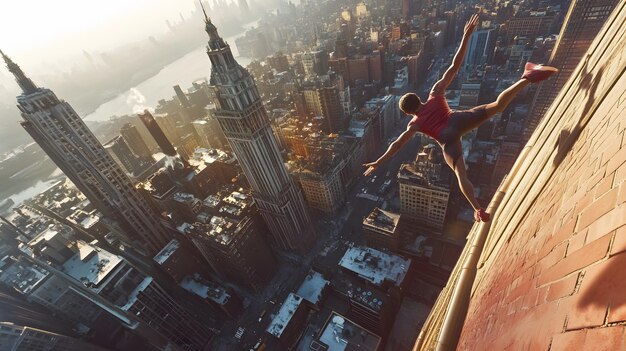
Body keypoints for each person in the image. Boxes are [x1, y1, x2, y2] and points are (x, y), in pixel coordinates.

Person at [363, 14, 558, 222]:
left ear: (408, 112)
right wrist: (466, 36)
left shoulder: (414, 123)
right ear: (418, 98)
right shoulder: (435, 93)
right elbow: (454, 66)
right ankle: (527, 77)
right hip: (457, 121)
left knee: (460, 175)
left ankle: (479, 209)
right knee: (498, 106)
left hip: (447, 140)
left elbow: (397, 145)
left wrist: (378, 162)